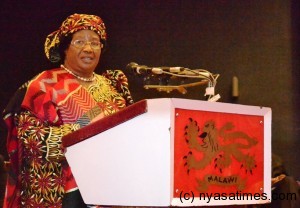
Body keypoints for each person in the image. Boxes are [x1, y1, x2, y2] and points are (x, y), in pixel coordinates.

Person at [2, 13, 134, 207]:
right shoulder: (44, 85)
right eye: (79, 42)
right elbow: (32, 140)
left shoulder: (112, 85)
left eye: (95, 43)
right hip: (65, 193)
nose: (88, 49)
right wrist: (87, 131)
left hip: (112, 184)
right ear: (65, 47)